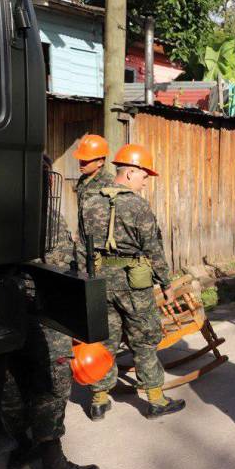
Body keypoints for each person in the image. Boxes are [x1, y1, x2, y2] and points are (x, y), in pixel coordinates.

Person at [1, 157, 99, 469]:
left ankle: (23, 447)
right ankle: (54, 468)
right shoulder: (46, 219)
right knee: (50, 387)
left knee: (12, 381)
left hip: (1, 312)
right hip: (40, 313)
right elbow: (60, 272)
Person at [78, 144, 184, 421]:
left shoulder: (89, 201)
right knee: (144, 339)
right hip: (133, 283)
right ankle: (156, 400)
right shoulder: (137, 205)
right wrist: (166, 283)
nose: (146, 182)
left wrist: (85, 281)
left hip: (100, 282)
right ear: (130, 173)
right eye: (144, 176)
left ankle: (99, 400)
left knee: (104, 339)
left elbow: (82, 247)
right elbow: (153, 249)